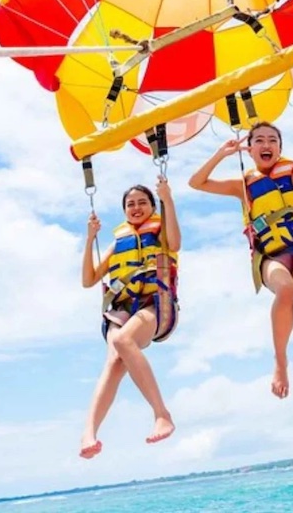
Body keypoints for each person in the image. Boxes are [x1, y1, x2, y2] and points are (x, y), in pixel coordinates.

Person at [188, 112, 293, 403]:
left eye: (273, 140)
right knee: (285, 289)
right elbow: (196, 183)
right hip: (270, 254)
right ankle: (281, 363)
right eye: (259, 140)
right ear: (249, 149)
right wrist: (221, 154)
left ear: (280, 148)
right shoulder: (243, 185)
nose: (266, 144)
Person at [78, 176, 181, 458]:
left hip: (156, 305)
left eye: (142, 203)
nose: (136, 208)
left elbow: (175, 243)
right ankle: (89, 431)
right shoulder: (118, 243)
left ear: (152, 207)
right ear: (124, 211)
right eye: (130, 204)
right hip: (121, 309)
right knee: (113, 361)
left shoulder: (160, 233)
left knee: (123, 342)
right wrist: (90, 239)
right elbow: (88, 280)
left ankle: (162, 414)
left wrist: (167, 198)